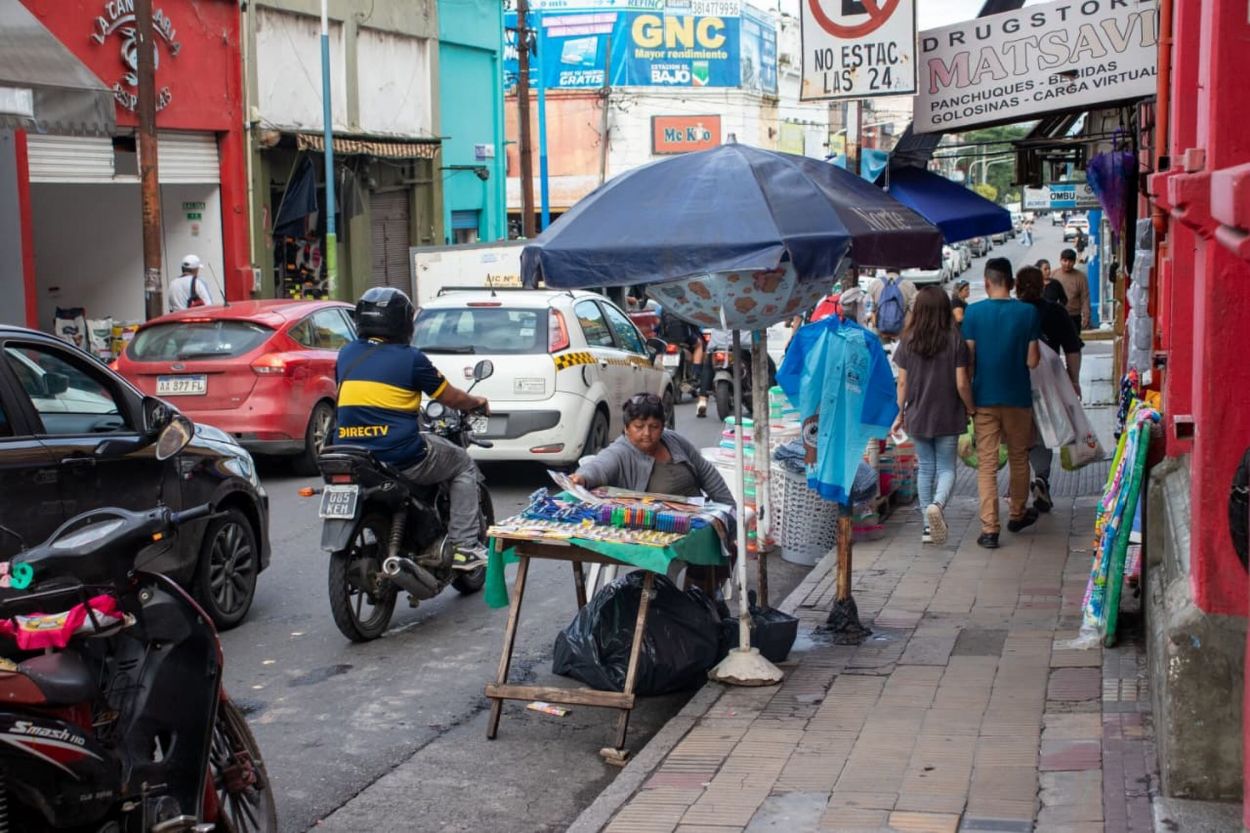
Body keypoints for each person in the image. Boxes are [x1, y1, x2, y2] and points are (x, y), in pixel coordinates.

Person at [335, 287, 491, 570]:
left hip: (350, 454)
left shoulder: (346, 354)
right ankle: (465, 546)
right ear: (404, 322)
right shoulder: (411, 359)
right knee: (463, 464)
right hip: (398, 455)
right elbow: (451, 398)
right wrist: (476, 402)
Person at [961, 257, 1042, 549]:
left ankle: (990, 529)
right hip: (1018, 397)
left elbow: (968, 361)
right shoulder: (1028, 313)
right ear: (1011, 282)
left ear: (986, 281)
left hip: (983, 397)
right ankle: (1018, 514)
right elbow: (1032, 361)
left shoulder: (973, 313)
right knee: (1020, 457)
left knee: (987, 464)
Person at [891, 286, 975, 546]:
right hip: (948, 413)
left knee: (925, 469)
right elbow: (962, 382)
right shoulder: (955, 340)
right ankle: (937, 505)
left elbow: (902, 383)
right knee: (947, 468)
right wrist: (971, 407)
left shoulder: (908, 340)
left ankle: (928, 528)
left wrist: (899, 413)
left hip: (917, 414)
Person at [570, 393, 733, 505]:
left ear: (662, 427)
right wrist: (582, 477)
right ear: (627, 428)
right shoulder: (621, 451)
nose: (647, 433)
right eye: (639, 427)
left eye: (654, 426)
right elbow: (598, 466)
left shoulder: (672, 439)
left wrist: (730, 512)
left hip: (699, 519)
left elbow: (707, 473)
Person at [1015, 265, 1082, 514]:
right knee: (1045, 431)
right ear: (1043, 286)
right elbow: (1073, 349)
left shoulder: (1013, 312)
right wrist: (1074, 381)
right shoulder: (1056, 311)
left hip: (1017, 381)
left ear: (1016, 287)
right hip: (1050, 382)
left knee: (1022, 435)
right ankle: (1042, 478)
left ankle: (1022, 486)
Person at [866, 269, 917, 340]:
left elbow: (869, 310)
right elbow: (914, 310)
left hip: (880, 332)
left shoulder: (875, 284)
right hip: (901, 334)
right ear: (900, 269)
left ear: (885, 269)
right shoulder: (909, 285)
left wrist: (876, 325)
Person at [1053, 248, 1091, 333]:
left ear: (1074, 262)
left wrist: (1086, 316)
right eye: (1065, 260)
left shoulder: (1081, 277)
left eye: (1070, 261)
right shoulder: (1054, 274)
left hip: (1074, 316)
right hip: (1056, 316)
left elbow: (1085, 297)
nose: (1067, 264)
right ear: (1060, 260)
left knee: (1073, 345)